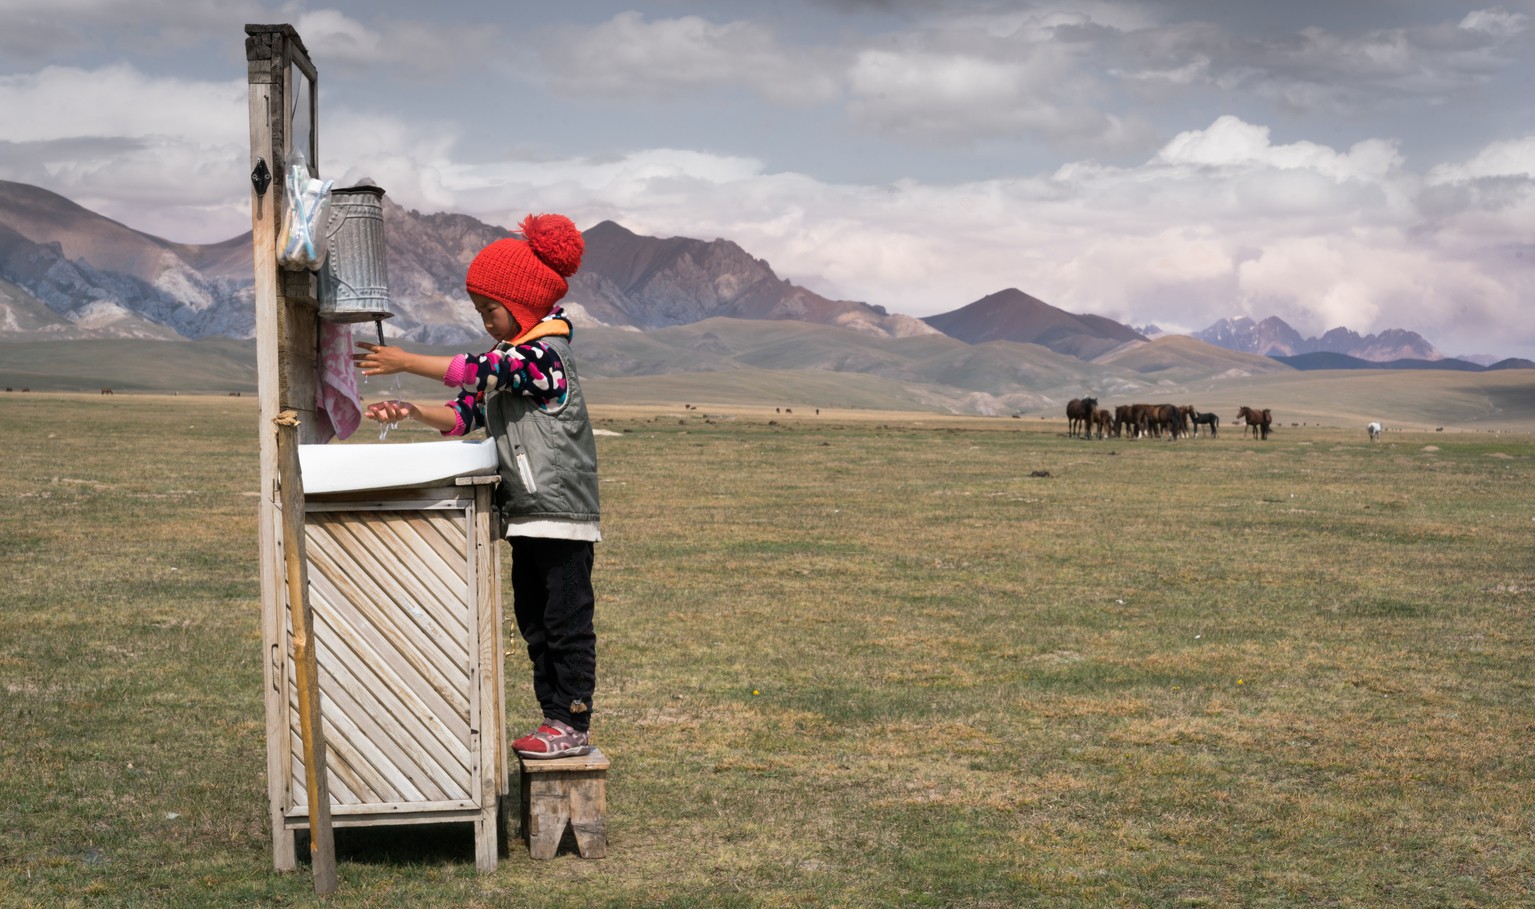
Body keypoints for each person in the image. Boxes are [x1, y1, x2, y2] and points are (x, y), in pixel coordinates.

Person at [353, 213, 599, 760]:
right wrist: (414, 410)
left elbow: (482, 371)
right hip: (529, 514)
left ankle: (572, 721)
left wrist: (405, 361)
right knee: (535, 622)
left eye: (491, 309)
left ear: (525, 300)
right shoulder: (514, 360)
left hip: (560, 512)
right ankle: (552, 720)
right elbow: (466, 414)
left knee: (565, 621)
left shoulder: (544, 357)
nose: (486, 321)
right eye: (481, 312)